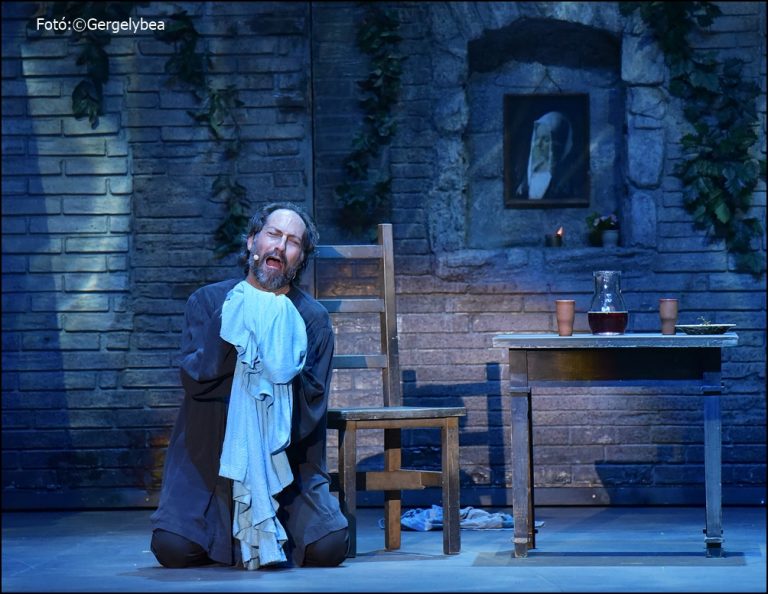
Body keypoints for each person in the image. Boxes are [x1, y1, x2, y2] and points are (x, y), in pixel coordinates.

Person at [150, 202, 348, 569]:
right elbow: (196, 380)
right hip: (209, 462)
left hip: (284, 465)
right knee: (173, 548)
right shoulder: (209, 302)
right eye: (273, 234)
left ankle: (258, 529)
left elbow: (311, 409)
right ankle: (234, 532)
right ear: (252, 241)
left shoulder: (312, 319)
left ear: (300, 258)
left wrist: (275, 369)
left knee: (329, 547)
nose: (280, 246)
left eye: (293, 242)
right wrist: (234, 324)